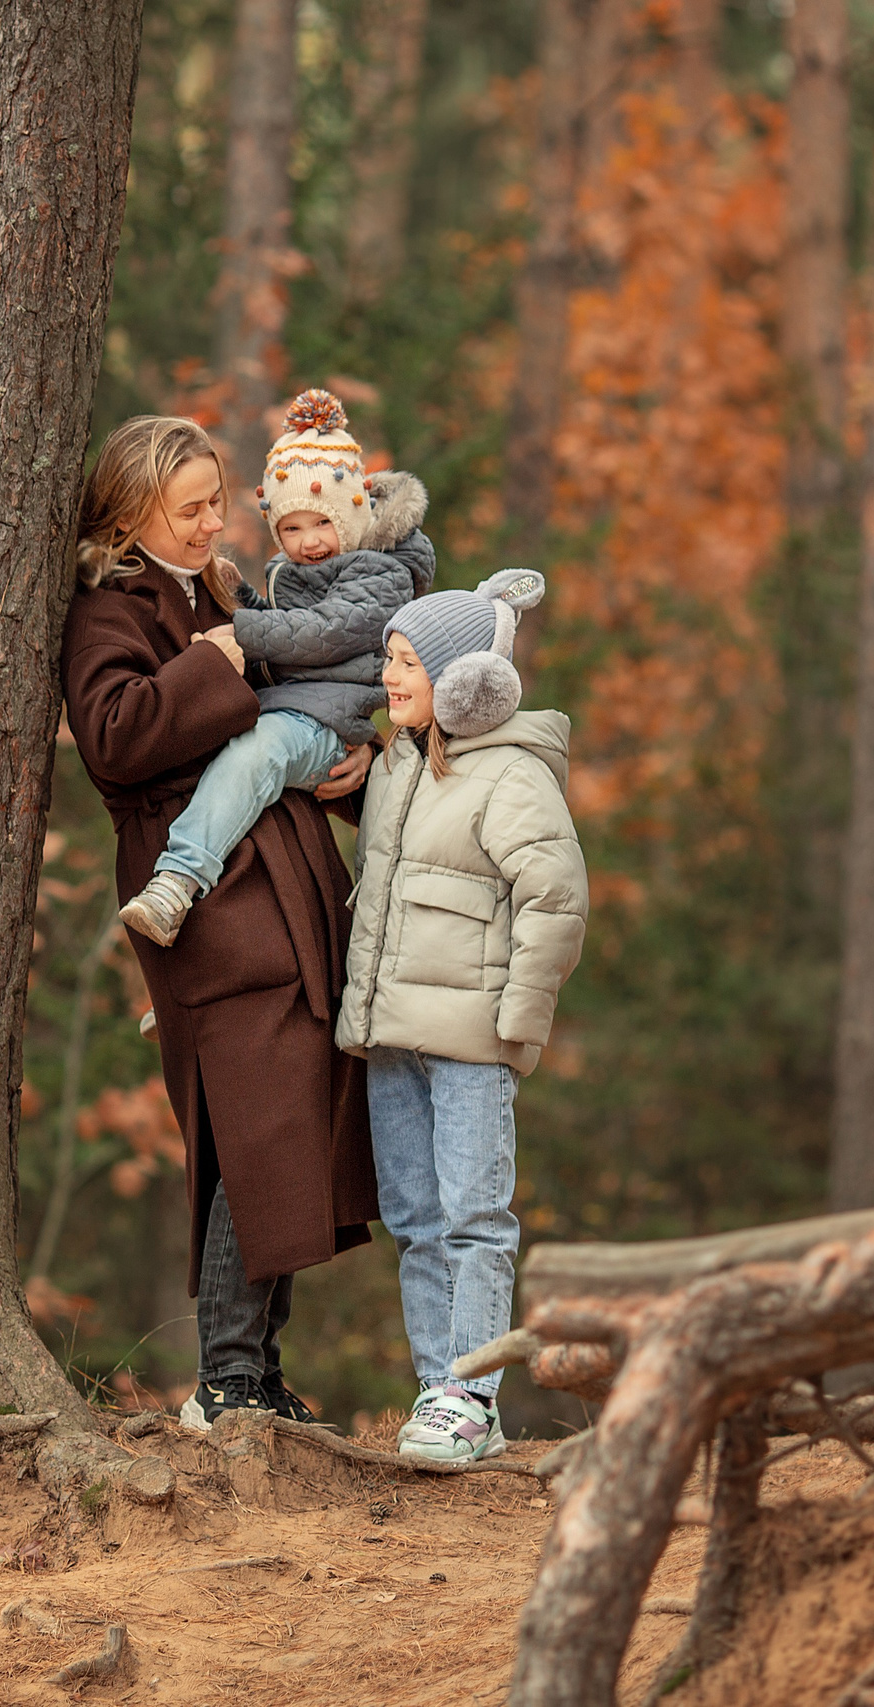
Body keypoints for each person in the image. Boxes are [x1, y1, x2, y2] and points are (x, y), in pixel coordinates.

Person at [60, 414, 380, 1427]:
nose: (213, 522)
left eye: (214, 500)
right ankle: (226, 1378)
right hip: (212, 908)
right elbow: (113, 737)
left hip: (290, 889)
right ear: (130, 513)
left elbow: (295, 720)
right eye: (189, 507)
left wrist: (348, 770)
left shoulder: (229, 591)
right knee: (254, 1130)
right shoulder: (107, 609)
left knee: (294, 1130)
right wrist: (221, 662)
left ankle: (255, 1373)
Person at [334, 574, 590, 1463]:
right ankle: (436, 1386)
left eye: (405, 661)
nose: (388, 674)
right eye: (389, 657)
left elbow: (556, 898)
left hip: (472, 1040)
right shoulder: (402, 761)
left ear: (460, 680)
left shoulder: (512, 774)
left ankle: (471, 1394)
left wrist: (518, 1021)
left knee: (475, 1216)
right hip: (394, 1035)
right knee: (413, 1218)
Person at [118, 388, 434, 947]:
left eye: (322, 524)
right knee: (235, 779)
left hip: (323, 726)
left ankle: (178, 880)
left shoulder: (380, 574)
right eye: (291, 529)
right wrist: (242, 595)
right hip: (296, 715)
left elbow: (324, 633)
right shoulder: (289, 572)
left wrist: (242, 629)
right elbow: (284, 638)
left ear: (354, 514)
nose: (308, 543)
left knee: (254, 753)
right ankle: (186, 967)